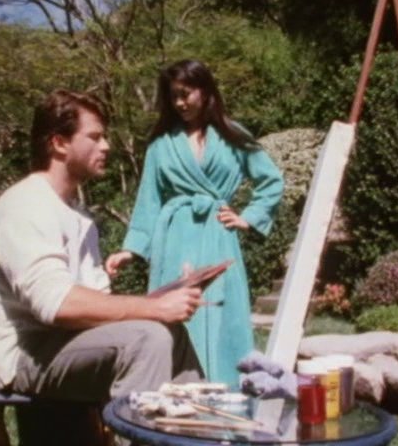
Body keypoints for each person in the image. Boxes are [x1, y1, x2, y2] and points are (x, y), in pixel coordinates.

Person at [0, 89, 204, 407]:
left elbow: (97, 303)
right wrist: (154, 307)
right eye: (94, 137)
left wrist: (165, 299)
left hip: (63, 340)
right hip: (20, 353)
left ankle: (201, 426)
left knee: (172, 332)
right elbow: (56, 305)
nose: (106, 146)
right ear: (59, 143)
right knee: (147, 338)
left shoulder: (78, 215)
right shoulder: (25, 205)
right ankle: (137, 430)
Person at [105, 59, 284, 385]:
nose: (179, 103)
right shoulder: (161, 144)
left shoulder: (233, 135)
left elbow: (271, 181)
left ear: (205, 91)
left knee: (222, 315)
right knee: (175, 316)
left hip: (218, 237)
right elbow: (148, 202)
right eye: (173, 96)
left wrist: (248, 218)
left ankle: (230, 398)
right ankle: (175, 398)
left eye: (185, 94)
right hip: (174, 239)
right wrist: (131, 250)